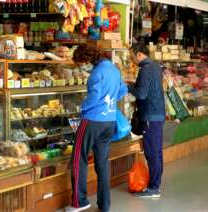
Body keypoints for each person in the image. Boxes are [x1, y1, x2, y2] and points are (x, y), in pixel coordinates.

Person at [66, 44, 128, 212]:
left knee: (79, 159)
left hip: (91, 121)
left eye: (80, 63)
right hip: (108, 122)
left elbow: (93, 98)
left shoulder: (96, 74)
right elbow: (123, 89)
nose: (81, 67)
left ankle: (79, 201)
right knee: (102, 163)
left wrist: (82, 107)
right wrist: (109, 100)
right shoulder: (114, 69)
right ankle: (104, 204)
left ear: (87, 60)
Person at [128, 43, 165, 198]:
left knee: (151, 152)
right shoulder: (155, 66)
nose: (131, 59)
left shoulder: (145, 69)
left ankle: (153, 188)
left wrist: (128, 86)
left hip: (150, 115)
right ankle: (155, 184)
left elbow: (142, 94)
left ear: (139, 54)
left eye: (132, 55)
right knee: (156, 152)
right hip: (157, 114)